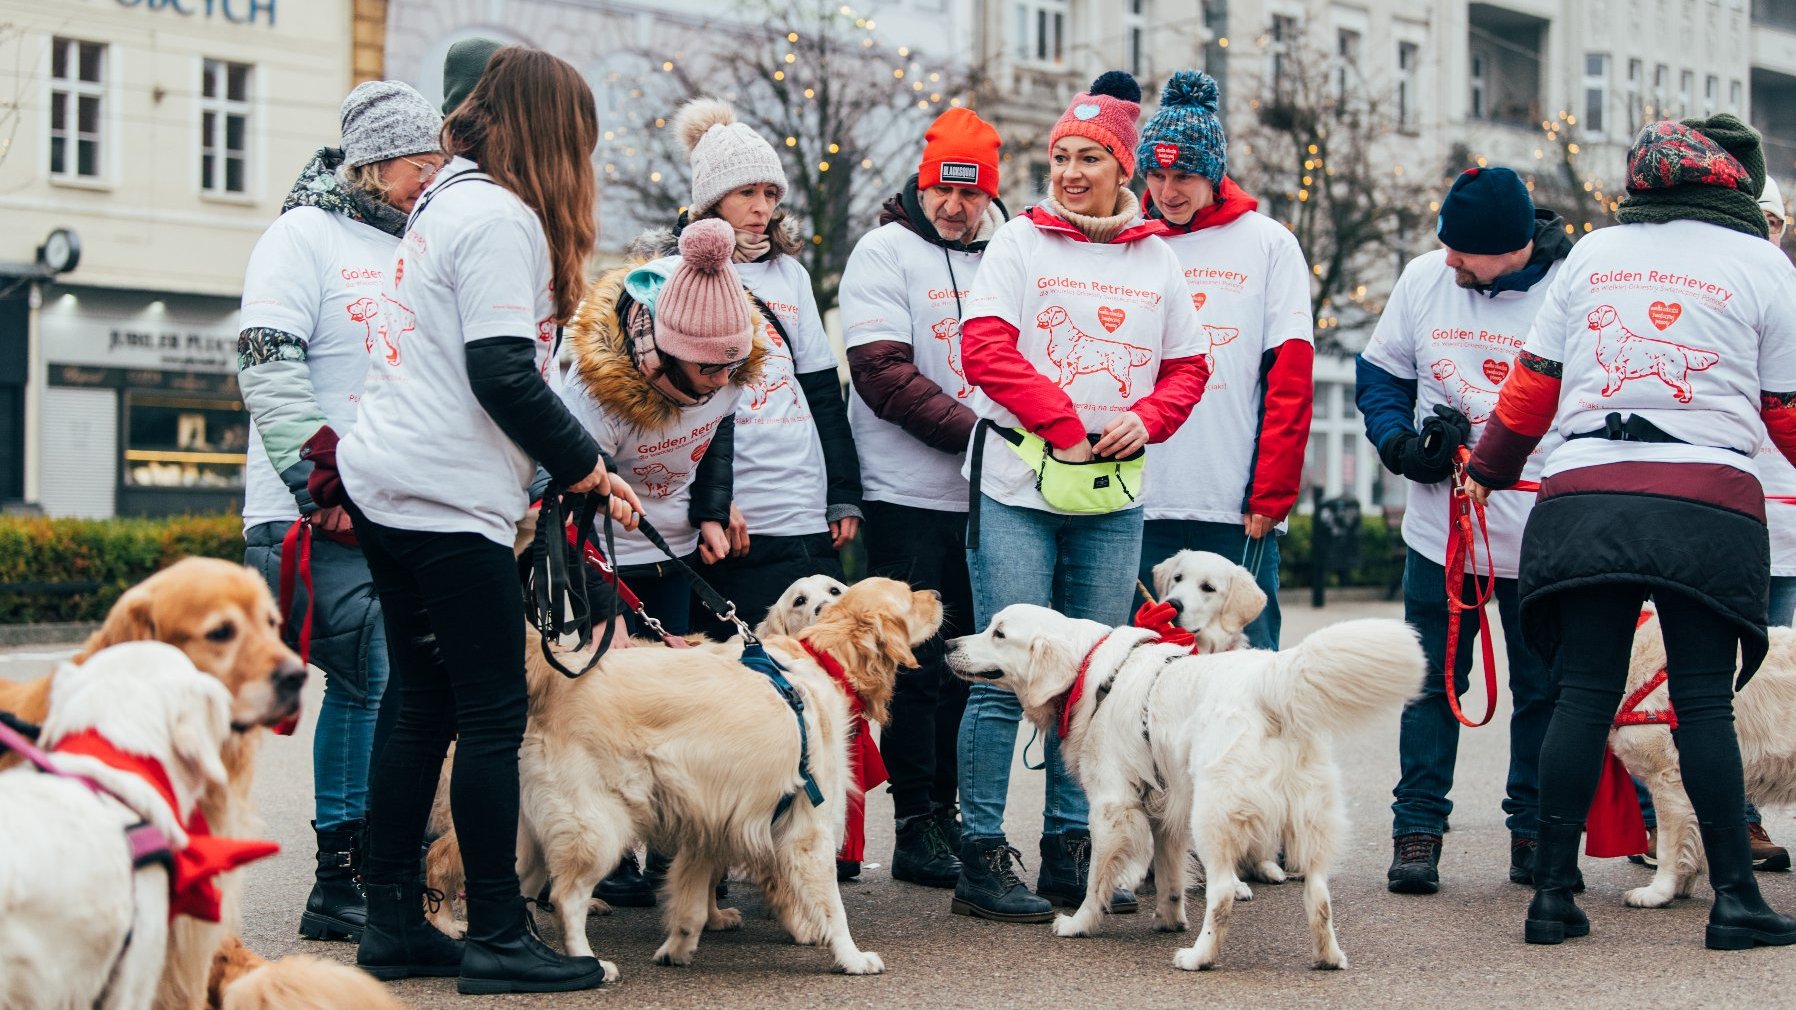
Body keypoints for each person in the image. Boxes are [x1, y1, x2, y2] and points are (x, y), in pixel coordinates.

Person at [318, 47, 643, 993]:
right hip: (441, 495)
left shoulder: (443, 203)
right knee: (493, 712)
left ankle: (392, 923)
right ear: (554, 135)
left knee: (421, 703)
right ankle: (500, 933)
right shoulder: (501, 219)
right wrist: (586, 467)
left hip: (391, 482)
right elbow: (501, 370)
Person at [1464, 114, 1796, 949]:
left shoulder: (1592, 253)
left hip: (1585, 494)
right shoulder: (1765, 264)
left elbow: (1533, 387)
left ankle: (1552, 900)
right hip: (1704, 499)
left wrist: (1489, 470)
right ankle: (1735, 903)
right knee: (1703, 708)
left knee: (1582, 697)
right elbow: (1785, 412)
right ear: (1736, 187)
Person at [952, 70, 1209, 922]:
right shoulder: (1020, 243)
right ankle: (982, 854)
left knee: (1100, 674)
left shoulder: (1157, 256)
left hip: (1111, 493)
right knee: (1000, 671)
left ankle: (1075, 849)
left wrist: (1147, 417)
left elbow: (1190, 366)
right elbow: (984, 347)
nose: (1068, 171)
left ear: (1121, 168)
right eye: (1060, 155)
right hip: (1018, 485)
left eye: (1089, 157)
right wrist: (1061, 421)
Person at [236, 80, 446, 944]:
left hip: (398, 503)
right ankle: (342, 874)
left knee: (403, 682)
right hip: (313, 510)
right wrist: (314, 482)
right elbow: (266, 360)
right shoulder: (302, 236)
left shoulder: (422, 243)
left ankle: (383, 865)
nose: (429, 179)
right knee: (372, 676)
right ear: (371, 163)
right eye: (418, 164)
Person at [1357, 166, 1572, 894]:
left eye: (1463, 252)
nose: (1448, 259)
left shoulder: (1566, 293)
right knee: (1431, 683)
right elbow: (1381, 373)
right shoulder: (1424, 279)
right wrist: (1396, 440)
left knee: (1541, 688)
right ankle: (1417, 828)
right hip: (1441, 527)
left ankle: (1534, 831)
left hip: (1541, 528)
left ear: (1512, 249)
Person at [840, 107, 1008, 889]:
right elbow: (880, 371)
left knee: (970, 662)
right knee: (911, 669)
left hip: (993, 497)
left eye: (970, 194)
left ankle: (953, 810)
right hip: (906, 494)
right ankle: (913, 823)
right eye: (944, 187)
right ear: (923, 179)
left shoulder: (1012, 253)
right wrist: (981, 437)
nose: (954, 205)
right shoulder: (884, 250)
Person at [1632, 173, 1795, 874]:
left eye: (1769, 221)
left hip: (1783, 529)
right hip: (1711, 523)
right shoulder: (1700, 297)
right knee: (1695, 691)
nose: (1757, 231)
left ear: (1781, 229)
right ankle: (1714, 832)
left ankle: (1737, 824)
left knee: (1771, 698)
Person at [659, 98, 862, 637]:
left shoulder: (789, 274)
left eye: (770, 193)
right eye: (746, 192)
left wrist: (843, 491)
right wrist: (714, 502)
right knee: (745, 667)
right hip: (739, 513)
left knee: (821, 665)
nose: (761, 207)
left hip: (803, 503)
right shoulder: (672, 276)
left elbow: (821, 389)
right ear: (711, 200)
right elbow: (674, 410)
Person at [1132, 70, 1314, 645]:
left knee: (1249, 669)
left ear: (1214, 172)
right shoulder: (1129, 237)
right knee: (1143, 669)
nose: (1167, 191)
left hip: (1231, 502)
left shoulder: (1268, 243)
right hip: (1136, 495)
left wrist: (1272, 494)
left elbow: (1290, 378)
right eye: (1156, 174)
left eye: (1183, 174)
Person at [558, 218, 755, 639]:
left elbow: (716, 436)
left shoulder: (728, 372)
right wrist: (600, 610)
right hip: (606, 561)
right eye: (710, 367)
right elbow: (567, 505)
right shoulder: (596, 393)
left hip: (677, 554)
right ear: (668, 350)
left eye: (733, 366)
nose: (723, 381)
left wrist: (711, 513)